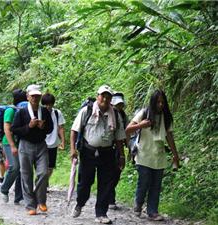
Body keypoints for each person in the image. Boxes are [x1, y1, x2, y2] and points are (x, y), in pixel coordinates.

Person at [70, 85, 126, 224]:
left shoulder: (116, 115)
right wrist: (73, 149)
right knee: (85, 182)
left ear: (111, 99)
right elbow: (74, 130)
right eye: (103, 95)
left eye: (108, 96)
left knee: (106, 183)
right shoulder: (87, 111)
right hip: (88, 151)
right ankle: (80, 203)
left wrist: (121, 155)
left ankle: (101, 213)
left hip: (107, 153)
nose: (105, 99)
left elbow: (119, 137)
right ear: (97, 96)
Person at [125, 89, 180, 221]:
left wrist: (175, 154)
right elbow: (128, 129)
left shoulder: (166, 117)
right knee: (144, 182)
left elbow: (169, 137)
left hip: (159, 156)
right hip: (143, 154)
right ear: (153, 102)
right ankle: (138, 204)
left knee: (156, 185)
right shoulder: (144, 113)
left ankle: (152, 212)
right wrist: (141, 125)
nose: (160, 105)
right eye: (158, 102)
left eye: (162, 102)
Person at [11, 84, 53, 215]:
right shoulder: (22, 112)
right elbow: (14, 130)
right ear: (28, 97)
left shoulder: (45, 111)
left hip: (41, 145)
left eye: (37, 96)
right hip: (25, 145)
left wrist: (43, 127)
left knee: (43, 173)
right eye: (33, 96)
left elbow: (50, 128)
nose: (35, 98)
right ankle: (30, 206)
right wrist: (29, 126)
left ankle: (41, 201)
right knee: (26, 176)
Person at [0, 89, 27, 204]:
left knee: (22, 169)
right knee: (14, 167)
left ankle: (19, 197)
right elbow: (7, 129)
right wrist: (12, 145)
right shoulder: (10, 110)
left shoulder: (24, 110)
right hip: (8, 142)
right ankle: (4, 189)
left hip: (21, 141)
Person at [108, 92, 129, 210]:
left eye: (120, 104)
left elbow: (126, 131)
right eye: (117, 104)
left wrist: (128, 147)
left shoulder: (123, 115)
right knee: (110, 173)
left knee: (116, 173)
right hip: (108, 148)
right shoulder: (108, 113)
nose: (119, 106)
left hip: (118, 148)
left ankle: (109, 196)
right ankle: (110, 199)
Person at [41, 93, 65, 190]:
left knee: (51, 166)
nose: (48, 106)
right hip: (41, 143)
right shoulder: (40, 112)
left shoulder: (57, 113)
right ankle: (42, 184)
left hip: (54, 142)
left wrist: (63, 141)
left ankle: (45, 181)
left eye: (50, 104)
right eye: (46, 104)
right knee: (42, 165)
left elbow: (61, 128)